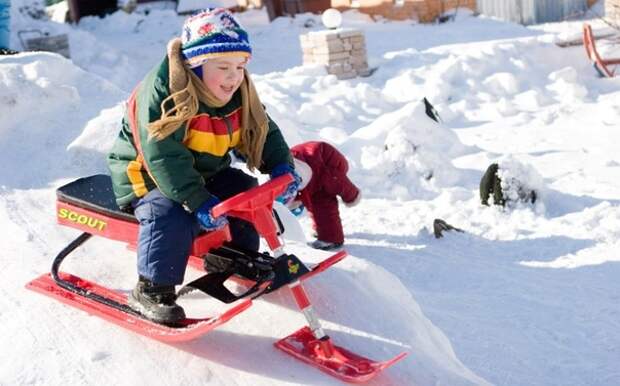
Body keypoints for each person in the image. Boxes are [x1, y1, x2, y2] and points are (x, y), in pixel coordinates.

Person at [107, 8, 300, 324]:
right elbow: (163, 156)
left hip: (204, 172)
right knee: (169, 213)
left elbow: (260, 128)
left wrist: (280, 166)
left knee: (242, 189)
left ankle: (238, 257)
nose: (233, 76)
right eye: (223, 66)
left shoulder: (237, 93)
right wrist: (196, 200)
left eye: (240, 66)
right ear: (194, 66)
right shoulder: (165, 93)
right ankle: (152, 287)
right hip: (148, 177)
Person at [289, 141, 361, 251]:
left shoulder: (327, 175)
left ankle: (331, 239)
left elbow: (342, 184)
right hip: (305, 164)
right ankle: (321, 229)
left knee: (323, 203)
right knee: (311, 198)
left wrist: (352, 196)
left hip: (328, 161)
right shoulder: (298, 175)